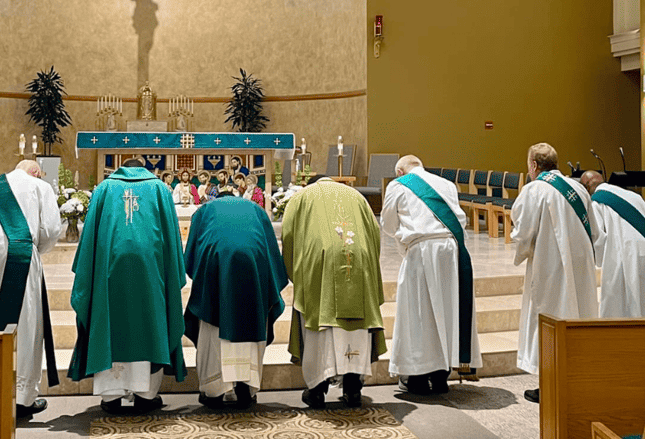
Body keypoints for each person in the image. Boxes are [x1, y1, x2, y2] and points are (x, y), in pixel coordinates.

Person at [68, 158, 186, 413]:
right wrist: (173, 269)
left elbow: (89, 240)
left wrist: (89, 270)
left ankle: (111, 396)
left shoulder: (104, 189)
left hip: (109, 270)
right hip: (150, 270)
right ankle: (146, 394)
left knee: (109, 319)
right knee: (150, 320)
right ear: (146, 169)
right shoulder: (159, 190)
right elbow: (172, 239)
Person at [0, 160, 62, 419]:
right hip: (19, 253)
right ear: (36, 172)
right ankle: (23, 398)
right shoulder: (39, 186)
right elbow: (50, 230)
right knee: (27, 322)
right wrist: (37, 249)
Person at [381, 155, 481, 396]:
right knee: (448, 312)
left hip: (422, 251)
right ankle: (440, 377)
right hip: (452, 251)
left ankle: (416, 378)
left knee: (418, 313)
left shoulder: (398, 185)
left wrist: (403, 237)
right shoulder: (446, 184)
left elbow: (387, 224)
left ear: (400, 171)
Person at [282, 177, 386, 408]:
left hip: (319, 263)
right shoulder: (357, 196)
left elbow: (287, 237)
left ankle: (317, 390)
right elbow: (375, 234)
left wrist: (296, 273)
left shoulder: (301, 197)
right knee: (355, 327)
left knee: (322, 325)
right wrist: (367, 264)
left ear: (311, 184)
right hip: (359, 260)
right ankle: (353, 388)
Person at [511, 143, 599, 403]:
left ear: (534, 166)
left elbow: (523, 232)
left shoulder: (534, 190)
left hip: (550, 267)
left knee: (549, 318)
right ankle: (575, 377)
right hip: (580, 265)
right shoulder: (578, 189)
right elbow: (594, 231)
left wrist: (519, 243)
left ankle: (548, 384)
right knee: (577, 316)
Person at [183, 196, 289, 409]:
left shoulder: (205, 210)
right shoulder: (256, 210)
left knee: (213, 319)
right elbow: (271, 250)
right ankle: (246, 386)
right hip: (254, 263)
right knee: (251, 317)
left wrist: (203, 272)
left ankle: (214, 390)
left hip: (217, 264)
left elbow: (191, 255)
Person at [580, 170, 645, 318]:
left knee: (622, 306)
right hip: (643, 250)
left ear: (586, 187)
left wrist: (598, 259)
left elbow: (597, 238)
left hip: (625, 256)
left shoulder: (596, 202)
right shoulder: (634, 196)